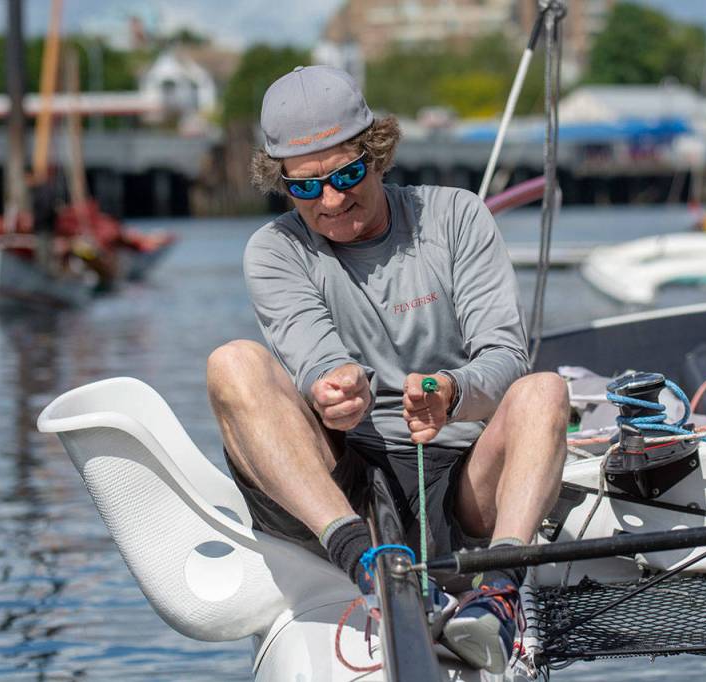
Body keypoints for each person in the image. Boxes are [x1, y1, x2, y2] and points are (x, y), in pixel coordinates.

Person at [205, 65, 569, 674]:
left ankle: (500, 590)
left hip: (459, 477)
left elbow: (505, 358)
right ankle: (365, 563)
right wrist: (333, 392)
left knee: (545, 391)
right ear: (281, 183)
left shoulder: (456, 216)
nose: (331, 200)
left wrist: (452, 392)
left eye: (348, 175)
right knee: (232, 364)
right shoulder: (273, 251)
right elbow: (315, 356)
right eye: (305, 188)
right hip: (350, 475)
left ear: (378, 154)